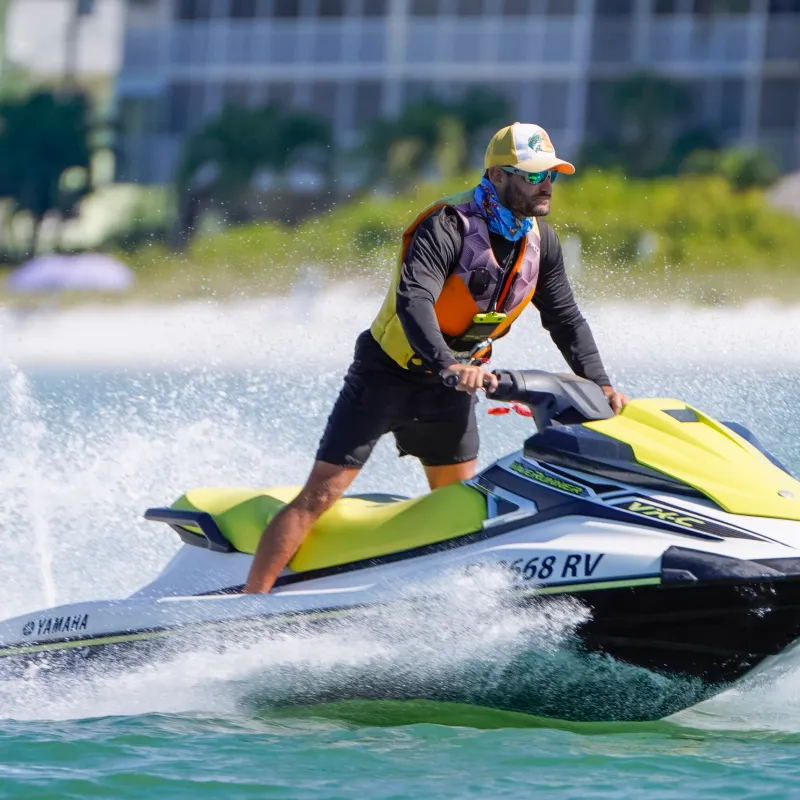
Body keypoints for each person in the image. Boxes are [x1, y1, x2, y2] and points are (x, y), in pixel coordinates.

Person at [245, 122, 628, 594]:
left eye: (552, 174)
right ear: (499, 175)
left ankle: (442, 604)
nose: (546, 184)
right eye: (533, 176)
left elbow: (565, 319)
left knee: (456, 507)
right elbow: (415, 302)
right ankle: (250, 606)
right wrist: (447, 363)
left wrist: (600, 382)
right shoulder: (447, 225)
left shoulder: (540, 242)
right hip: (387, 374)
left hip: (451, 388)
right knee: (320, 493)